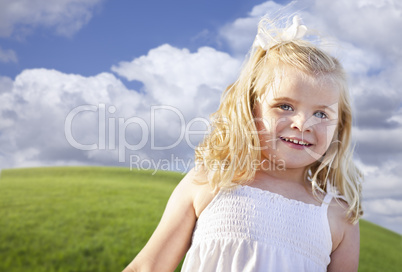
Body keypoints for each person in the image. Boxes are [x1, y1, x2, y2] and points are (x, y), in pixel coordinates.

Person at [123, 14, 363, 272]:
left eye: (321, 114)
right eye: (284, 106)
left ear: (339, 124)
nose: (302, 124)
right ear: (250, 108)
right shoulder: (211, 181)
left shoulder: (339, 216)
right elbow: (147, 267)